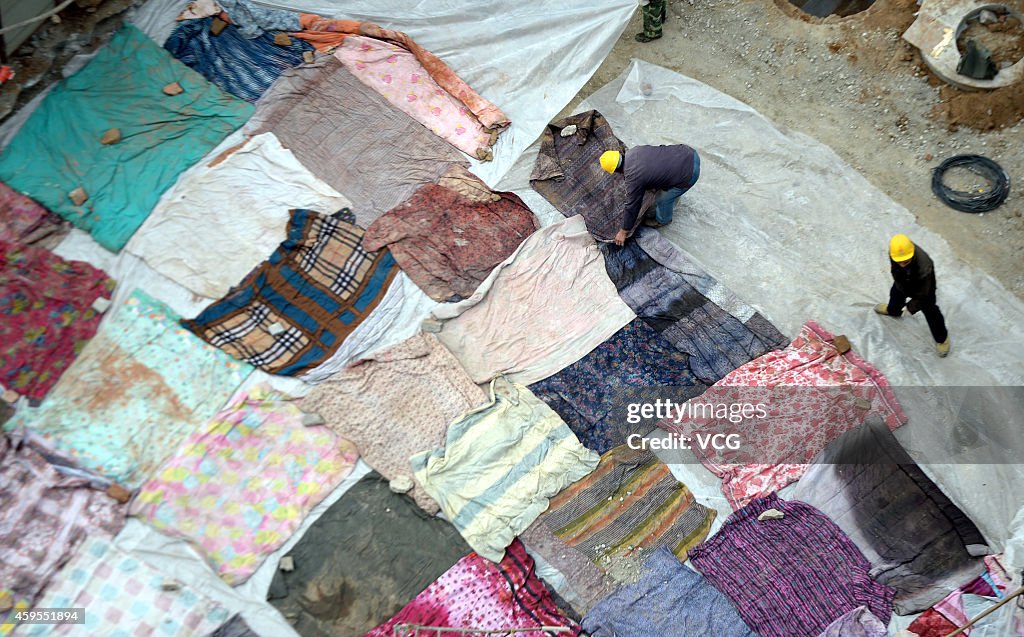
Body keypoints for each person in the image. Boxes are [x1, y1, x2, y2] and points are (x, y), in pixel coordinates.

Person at [599, 144, 701, 246]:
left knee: (662, 199)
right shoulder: (635, 151)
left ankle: (663, 220)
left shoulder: (633, 178)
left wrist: (624, 231)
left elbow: (633, 206)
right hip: (689, 152)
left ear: (616, 171)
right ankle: (672, 185)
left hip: (690, 174)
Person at [875, 234, 951, 357]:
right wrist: (901, 284)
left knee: (930, 310)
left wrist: (911, 307)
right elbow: (896, 269)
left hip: (924, 287)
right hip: (904, 280)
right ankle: (893, 310)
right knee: (895, 294)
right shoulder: (896, 253)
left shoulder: (924, 266)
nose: (903, 263)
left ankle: (942, 339)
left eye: (906, 261)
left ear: (912, 254)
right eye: (899, 261)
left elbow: (923, 294)